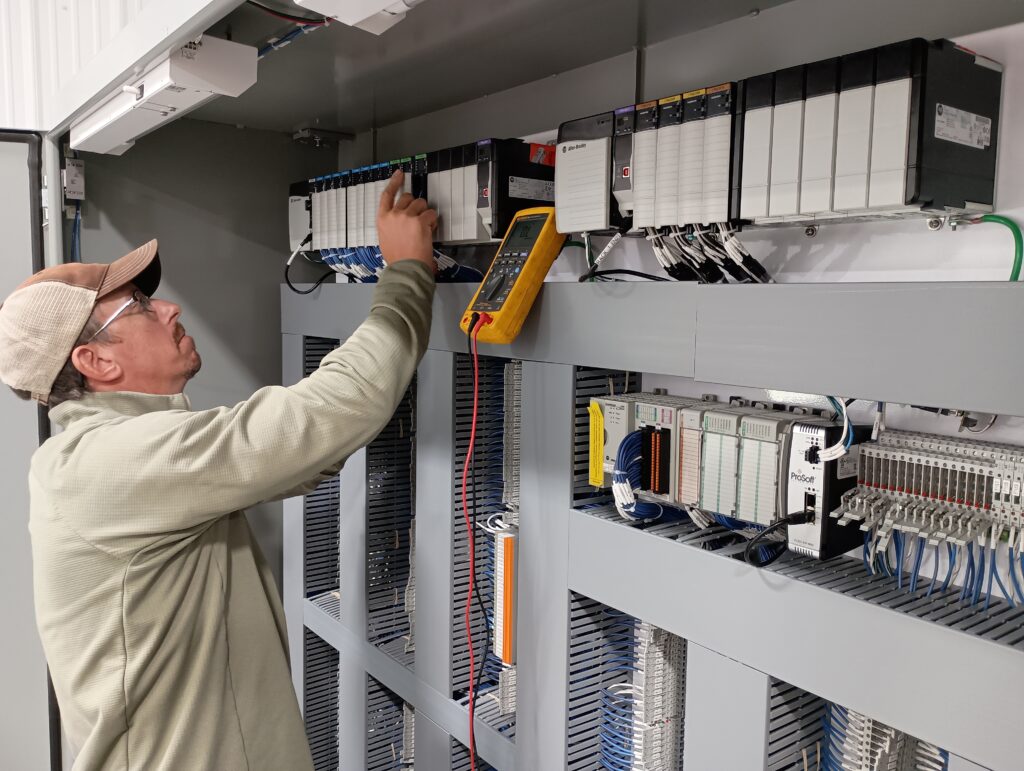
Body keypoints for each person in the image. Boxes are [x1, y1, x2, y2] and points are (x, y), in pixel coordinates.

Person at [0, 171, 436, 770]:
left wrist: (317, 440)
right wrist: (407, 271)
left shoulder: (87, 460)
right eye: (139, 305)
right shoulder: (116, 463)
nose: (169, 308)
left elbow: (302, 451)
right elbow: (333, 410)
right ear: (94, 360)